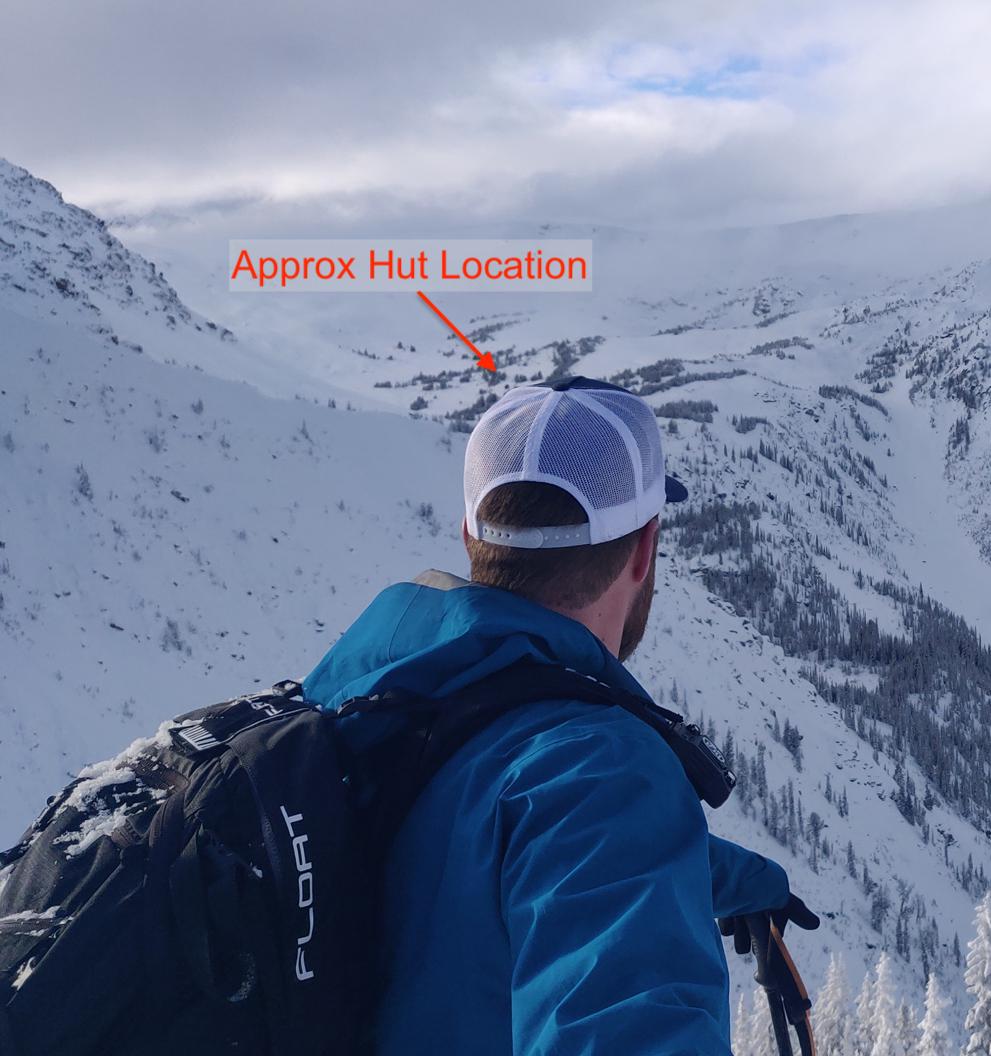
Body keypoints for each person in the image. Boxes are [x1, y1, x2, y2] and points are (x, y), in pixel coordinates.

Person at [302, 376, 809, 1054]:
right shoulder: (601, 768)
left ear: (469, 538)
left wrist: (744, 883)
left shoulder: (381, 700)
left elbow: (514, 836)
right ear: (644, 547)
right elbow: (582, 830)